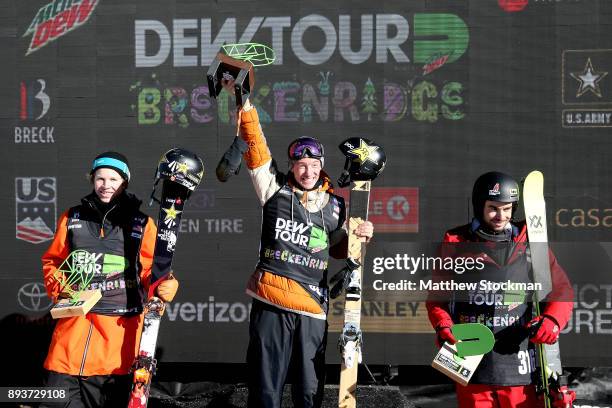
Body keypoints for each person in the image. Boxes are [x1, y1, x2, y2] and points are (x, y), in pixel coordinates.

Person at [221, 80, 374, 408]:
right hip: (272, 300)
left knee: (309, 392)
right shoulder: (273, 189)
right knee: (266, 390)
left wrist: (357, 237)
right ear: (292, 166)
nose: (308, 171)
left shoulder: (336, 205)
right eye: (301, 165)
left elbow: (335, 251)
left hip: (313, 307)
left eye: (314, 165)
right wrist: (245, 105)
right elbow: (257, 146)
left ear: (322, 167)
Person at [40, 152, 179, 408]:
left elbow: (150, 270)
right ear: (92, 180)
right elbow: (53, 262)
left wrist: (163, 284)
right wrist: (61, 289)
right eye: (100, 178)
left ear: (124, 182)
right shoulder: (72, 218)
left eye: (113, 179)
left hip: (116, 339)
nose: (106, 185)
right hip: (71, 332)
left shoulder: (141, 224)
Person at [426, 171, 574, 408]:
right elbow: (437, 297)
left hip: (518, 356)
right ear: (479, 206)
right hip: (471, 354)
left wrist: (553, 320)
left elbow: (562, 291)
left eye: (507, 209)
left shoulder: (529, 242)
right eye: (493, 208)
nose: (501, 216)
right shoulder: (455, 242)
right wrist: (443, 324)